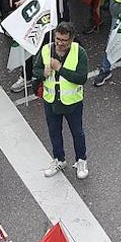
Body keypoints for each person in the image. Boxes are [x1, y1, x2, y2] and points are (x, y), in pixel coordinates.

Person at [33, 23, 88, 179]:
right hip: (51, 101)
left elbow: (81, 78)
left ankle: (81, 160)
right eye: (57, 38)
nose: (60, 43)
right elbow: (35, 70)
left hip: (72, 102)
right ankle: (59, 159)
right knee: (54, 132)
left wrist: (59, 68)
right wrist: (43, 72)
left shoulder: (79, 52)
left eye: (64, 40)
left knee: (77, 132)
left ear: (71, 39)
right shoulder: (46, 50)